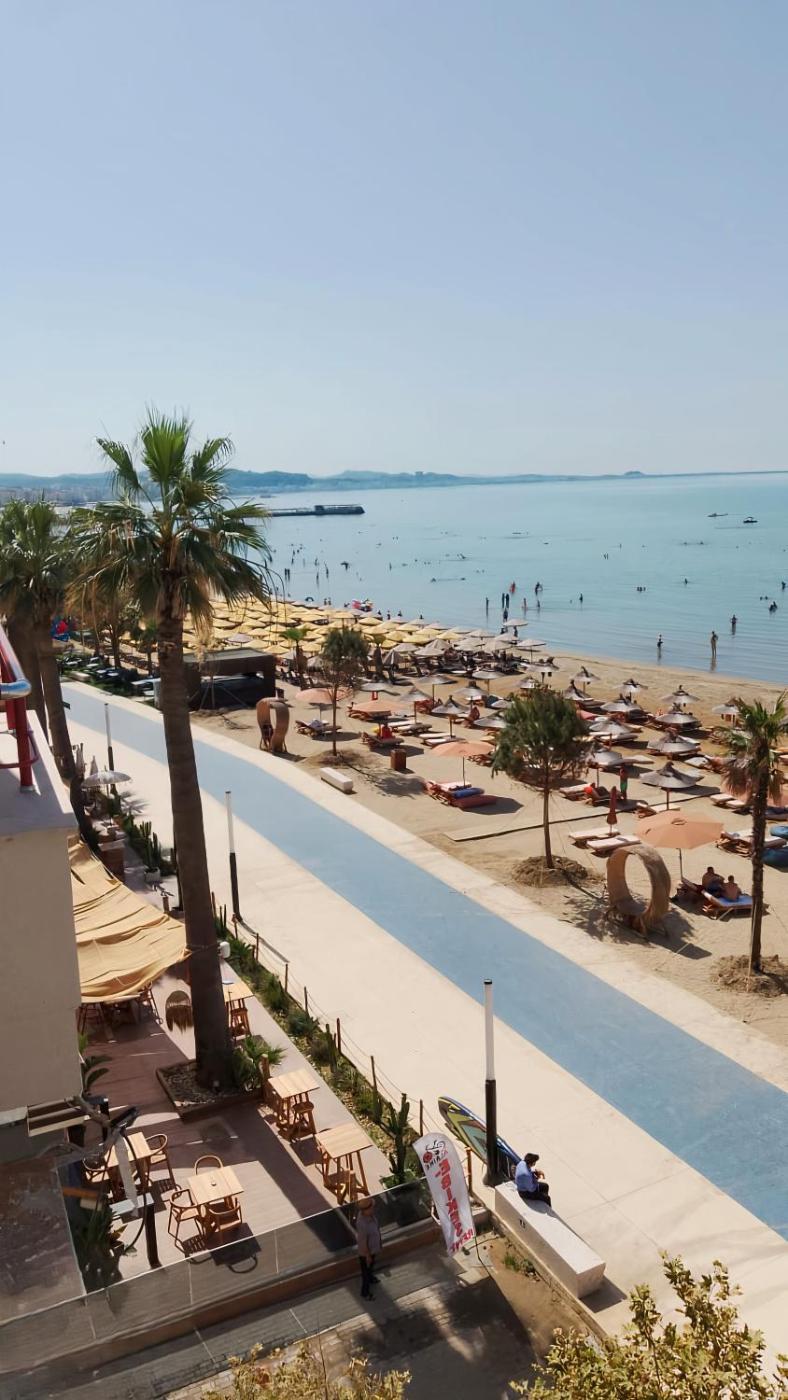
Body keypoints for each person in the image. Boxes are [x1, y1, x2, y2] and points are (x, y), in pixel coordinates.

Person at [356, 1197, 381, 1299]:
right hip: (367, 1253)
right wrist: (367, 1255)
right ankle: (365, 1293)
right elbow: (362, 1241)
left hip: (373, 1249)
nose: (373, 1209)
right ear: (365, 1210)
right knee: (365, 1272)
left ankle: (371, 1278)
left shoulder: (371, 1216)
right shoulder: (362, 1223)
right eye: (371, 1208)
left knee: (370, 1267)